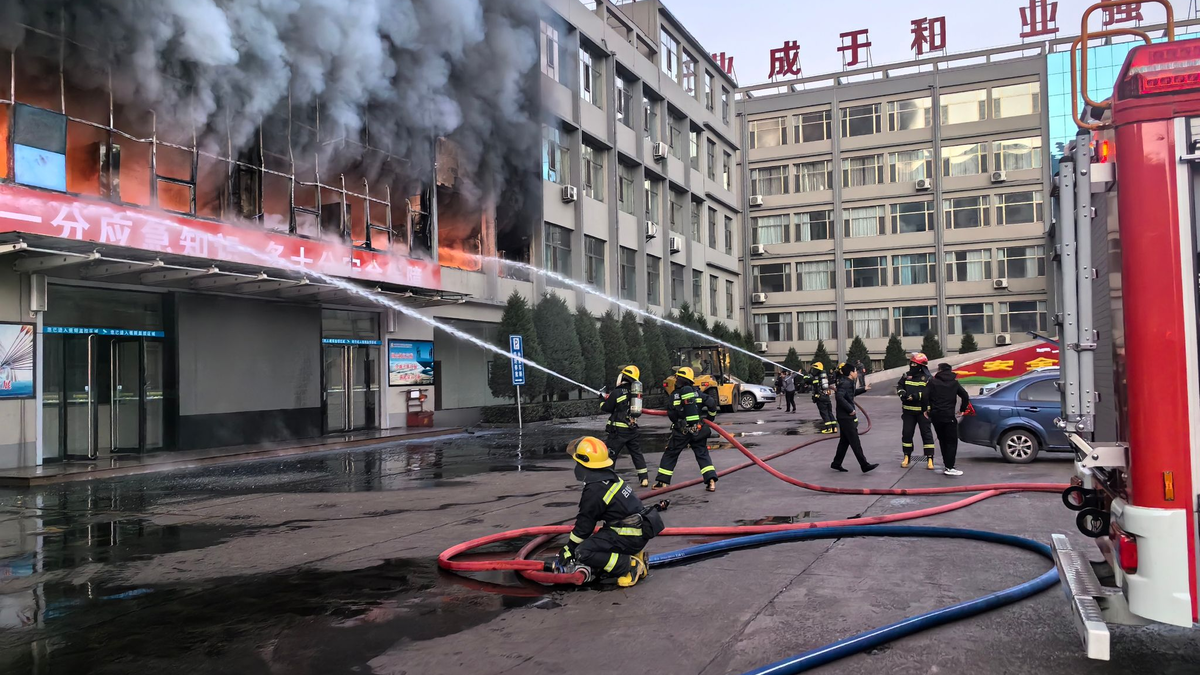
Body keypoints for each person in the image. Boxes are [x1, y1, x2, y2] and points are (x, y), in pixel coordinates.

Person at [550, 437, 666, 587]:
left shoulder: (595, 490)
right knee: (598, 540)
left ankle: (629, 566)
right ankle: (635, 557)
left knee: (584, 552)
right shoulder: (610, 476)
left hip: (629, 536)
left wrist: (570, 549)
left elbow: (584, 526)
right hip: (638, 532)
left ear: (584, 463)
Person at [654, 367, 720, 492]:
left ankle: (662, 482)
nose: (676, 379)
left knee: (671, 454)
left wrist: (677, 420)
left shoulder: (675, 395)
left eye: (677, 377)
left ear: (680, 379)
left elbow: (672, 415)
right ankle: (711, 482)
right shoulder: (698, 393)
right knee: (702, 454)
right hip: (698, 430)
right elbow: (712, 403)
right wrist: (710, 419)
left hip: (682, 431)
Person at [599, 365, 649, 487]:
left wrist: (601, 399)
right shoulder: (635, 393)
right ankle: (644, 479)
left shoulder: (617, 392)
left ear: (624, 376)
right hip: (632, 429)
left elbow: (606, 408)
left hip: (618, 431)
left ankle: (607, 479)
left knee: (610, 455)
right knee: (636, 454)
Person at [832, 363, 878, 473]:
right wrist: (850, 410)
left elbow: (850, 394)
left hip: (843, 416)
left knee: (844, 441)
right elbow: (840, 397)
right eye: (855, 371)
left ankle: (836, 463)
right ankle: (864, 465)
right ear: (851, 373)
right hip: (846, 417)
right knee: (854, 441)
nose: (857, 373)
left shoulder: (846, 381)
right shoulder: (845, 382)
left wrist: (864, 389)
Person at [928, 362, 971, 477]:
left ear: (940, 370)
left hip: (936, 416)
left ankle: (947, 465)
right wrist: (962, 409)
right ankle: (950, 467)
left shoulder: (933, 382)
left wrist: (926, 410)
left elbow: (926, 396)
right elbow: (965, 396)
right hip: (949, 416)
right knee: (951, 442)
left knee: (942, 440)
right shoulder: (954, 383)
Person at [897, 352, 937, 470]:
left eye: (915, 364)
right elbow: (900, 386)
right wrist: (902, 394)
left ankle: (930, 458)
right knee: (907, 434)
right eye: (912, 364)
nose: (912, 366)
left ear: (921, 366)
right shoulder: (906, 376)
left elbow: (929, 393)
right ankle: (907, 456)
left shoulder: (928, 378)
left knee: (927, 435)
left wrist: (916, 396)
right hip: (908, 412)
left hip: (923, 411)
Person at [806, 362, 837, 434]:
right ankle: (834, 427)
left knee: (824, 413)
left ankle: (828, 429)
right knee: (830, 413)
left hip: (820, 398)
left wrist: (806, 377)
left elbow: (809, 382)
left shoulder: (816, 378)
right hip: (827, 397)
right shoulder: (825, 376)